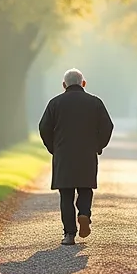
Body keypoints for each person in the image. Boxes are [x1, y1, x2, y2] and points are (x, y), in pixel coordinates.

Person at [38, 68, 114, 246]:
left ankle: (69, 234)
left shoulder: (55, 103)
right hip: (87, 153)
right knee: (85, 188)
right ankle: (84, 214)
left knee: (66, 195)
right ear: (83, 83)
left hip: (63, 154)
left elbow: (44, 128)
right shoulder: (95, 103)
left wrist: (53, 148)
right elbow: (107, 126)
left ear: (64, 85)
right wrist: (98, 146)